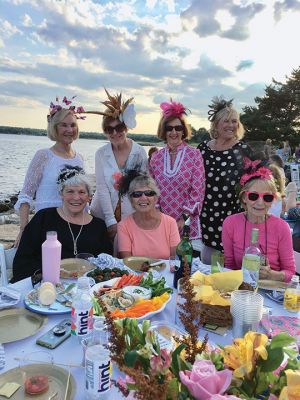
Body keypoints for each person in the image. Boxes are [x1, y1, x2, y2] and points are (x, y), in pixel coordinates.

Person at [12, 166, 112, 282]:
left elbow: (106, 262)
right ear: (61, 194)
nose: (76, 197)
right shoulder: (43, 218)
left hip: (86, 287)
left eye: (81, 192)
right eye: (70, 191)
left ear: (89, 197)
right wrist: (45, 277)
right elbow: (24, 258)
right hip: (47, 283)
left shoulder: (98, 226)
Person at [14, 96, 85, 247]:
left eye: (72, 125)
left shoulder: (80, 159)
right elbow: (26, 195)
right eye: (63, 125)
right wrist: (24, 230)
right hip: (47, 227)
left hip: (74, 226)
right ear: (55, 127)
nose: (69, 130)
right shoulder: (43, 156)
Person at [85, 89, 148, 241]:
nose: (114, 133)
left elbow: (142, 187)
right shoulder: (101, 153)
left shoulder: (139, 152)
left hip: (129, 215)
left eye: (119, 128)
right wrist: (110, 220)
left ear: (126, 127)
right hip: (101, 213)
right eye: (109, 129)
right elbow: (101, 188)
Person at [198, 97, 253, 264]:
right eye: (226, 121)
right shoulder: (203, 148)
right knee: (208, 257)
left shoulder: (243, 150)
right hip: (207, 213)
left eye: (234, 121)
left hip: (233, 212)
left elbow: (253, 182)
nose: (231, 125)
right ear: (216, 124)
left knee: (231, 257)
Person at [222, 159, 295, 283]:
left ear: (273, 199)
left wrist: (271, 274)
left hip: (272, 289)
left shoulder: (282, 227)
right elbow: (229, 265)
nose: (260, 203)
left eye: (267, 197)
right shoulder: (230, 223)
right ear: (244, 197)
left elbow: (290, 272)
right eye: (253, 196)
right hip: (242, 288)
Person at [149, 100, 205, 240]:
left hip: (185, 222)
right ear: (164, 130)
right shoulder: (156, 157)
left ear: (183, 130)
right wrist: (158, 214)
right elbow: (151, 188)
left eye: (178, 128)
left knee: (184, 261)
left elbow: (198, 190)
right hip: (160, 221)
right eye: (169, 128)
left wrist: (183, 218)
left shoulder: (194, 155)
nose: (174, 132)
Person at [117, 173, 180, 259]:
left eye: (149, 193)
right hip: (135, 272)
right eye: (137, 194)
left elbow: (175, 259)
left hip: (165, 271)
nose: (143, 198)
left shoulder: (170, 223)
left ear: (156, 198)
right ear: (131, 200)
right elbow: (127, 261)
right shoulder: (123, 226)